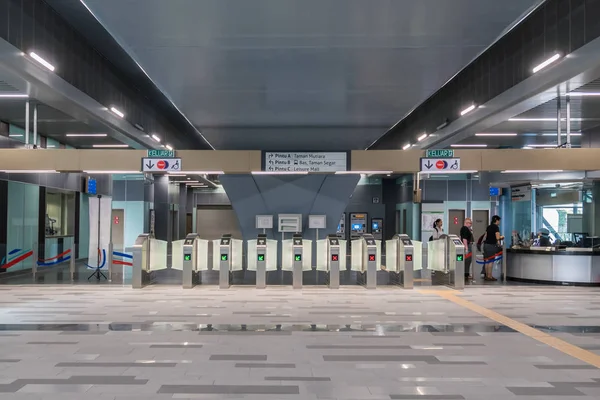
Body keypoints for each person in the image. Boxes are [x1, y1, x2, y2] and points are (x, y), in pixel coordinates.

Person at [483, 215, 504, 281]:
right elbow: (497, 237)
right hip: (491, 245)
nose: (499, 222)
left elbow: (486, 235)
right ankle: (489, 276)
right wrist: (502, 237)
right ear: (497, 220)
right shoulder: (496, 227)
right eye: (499, 221)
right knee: (491, 261)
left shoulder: (488, 227)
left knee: (486, 261)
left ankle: (486, 276)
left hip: (486, 245)